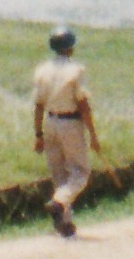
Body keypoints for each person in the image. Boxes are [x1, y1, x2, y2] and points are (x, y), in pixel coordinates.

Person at [31, 27, 99, 237]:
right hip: (70, 123)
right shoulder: (76, 71)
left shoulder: (42, 71)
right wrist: (93, 136)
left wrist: (38, 135)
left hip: (50, 121)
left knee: (59, 174)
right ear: (70, 48)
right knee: (80, 172)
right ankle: (59, 203)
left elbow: (38, 105)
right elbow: (83, 105)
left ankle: (64, 223)